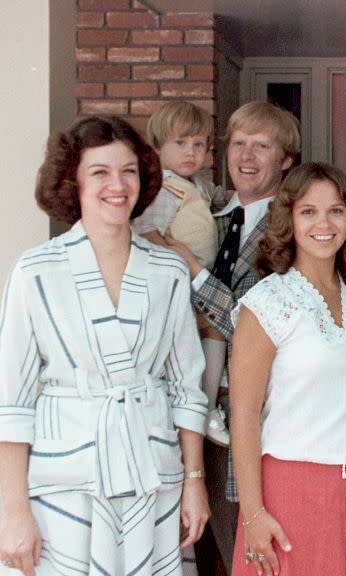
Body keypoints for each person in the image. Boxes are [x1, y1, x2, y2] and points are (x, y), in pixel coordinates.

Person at [0, 116, 210, 575]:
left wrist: (194, 482)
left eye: (129, 170)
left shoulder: (168, 269)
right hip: (62, 481)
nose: (117, 185)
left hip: (152, 473)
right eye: (100, 172)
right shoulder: (34, 271)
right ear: (71, 180)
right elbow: (11, 402)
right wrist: (12, 510)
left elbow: (186, 387)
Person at [167, 101, 301, 574]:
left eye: (262, 146)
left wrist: (193, 271)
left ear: (286, 160)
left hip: (241, 425)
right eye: (238, 144)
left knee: (239, 553)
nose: (246, 156)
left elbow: (256, 329)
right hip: (181, 417)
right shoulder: (206, 214)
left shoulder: (292, 229)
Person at [228, 163, 346, 575]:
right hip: (287, 493)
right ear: (288, 220)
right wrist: (254, 513)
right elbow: (243, 415)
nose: (324, 223)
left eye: (335, 210)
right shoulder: (267, 304)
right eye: (308, 211)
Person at [135, 100, 230, 447]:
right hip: (178, 279)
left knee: (216, 332)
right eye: (181, 143)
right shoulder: (161, 188)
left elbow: (220, 200)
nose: (191, 152)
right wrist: (175, 264)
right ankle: (202, 407)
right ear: (158, 146)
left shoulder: (198, 183)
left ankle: (210, 397)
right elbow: (148, 234)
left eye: (199, 144)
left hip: (199, 275)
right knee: (203, 334)